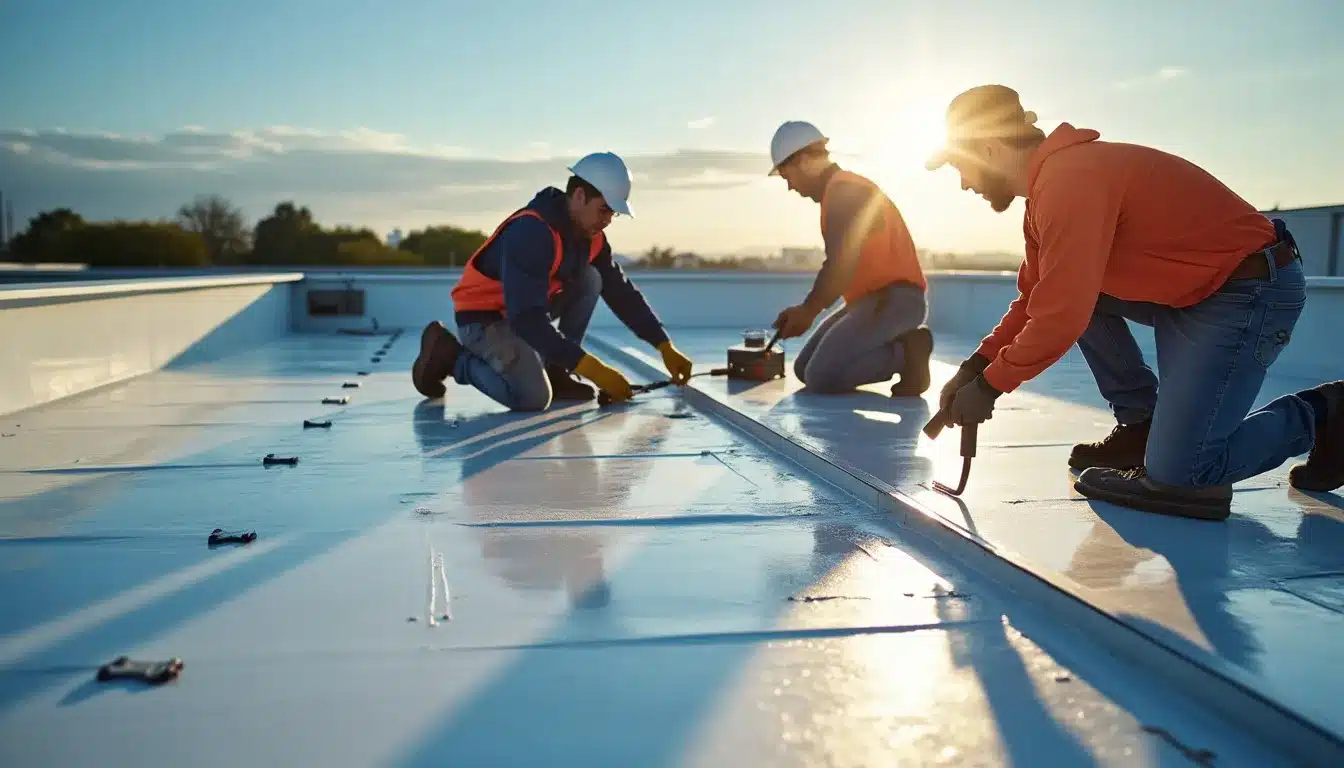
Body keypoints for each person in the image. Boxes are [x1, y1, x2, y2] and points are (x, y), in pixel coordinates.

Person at [924, 84, 1342, 521]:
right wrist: (975, 365)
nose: (965, 185)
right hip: (1197, 292)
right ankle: (1140, 424)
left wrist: (991, 387)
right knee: (1074, 289)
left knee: (1186, 479)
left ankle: (1325, 416)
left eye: (960, 168)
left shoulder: (1069, 180)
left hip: (1248, 292)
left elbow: (1061, 316)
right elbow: (1037, 296)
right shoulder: (1048, 191)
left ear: (989, 150)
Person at [411, 151, 693, 410]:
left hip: (521, 313)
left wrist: (663, 345)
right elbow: (527, 318)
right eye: (604, 209)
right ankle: (452, 357)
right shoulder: (531, 231)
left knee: (592, 279)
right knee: (532, 398)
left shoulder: (591, 238)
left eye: (613, 213)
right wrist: (592, 368)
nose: (608, 220)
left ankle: (558, 373)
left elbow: (621, 292)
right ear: (580, 196)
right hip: (484, 320)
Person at [765, 120, 935, 396]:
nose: (790, 187)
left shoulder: (846, 192)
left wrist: (809, 310)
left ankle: (908, 352)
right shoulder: (838, 192)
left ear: (805, 161)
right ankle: (897, 347)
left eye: (788, 177)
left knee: (822, 376)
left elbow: (842, 263)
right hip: (872, 302)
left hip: (896, 301)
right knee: (804, 368)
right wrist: (807, 309)